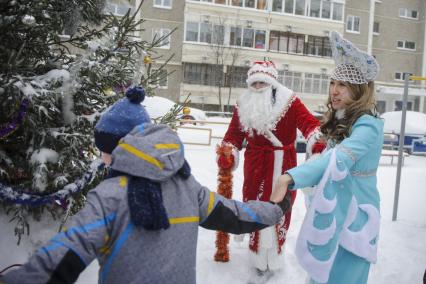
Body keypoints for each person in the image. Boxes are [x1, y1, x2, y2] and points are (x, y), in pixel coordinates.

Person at [0, 86, 292, 284]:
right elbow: (238, 215)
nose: (101, 158)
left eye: (103, 149)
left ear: (121, 147)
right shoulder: (188, 187)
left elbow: (63, 255)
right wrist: (276, 208)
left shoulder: (109, 196)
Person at [271, 31, 383, 284]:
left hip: (356, 216)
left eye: (343, 85)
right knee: (321, 275)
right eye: (333, 83)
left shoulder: (368, 125)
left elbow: (339, 158)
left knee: (343, 276)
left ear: (359, 89)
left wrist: (289, 177)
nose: (334, 90)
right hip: (335, 211)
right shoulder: (340, 120)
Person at [218, 60, 324, 277]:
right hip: (254, 164)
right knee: (254, 206)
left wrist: (317, 142)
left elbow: (311, 125)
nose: (257, 88)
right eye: (254, 83)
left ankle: (275, 257)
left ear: (272, 83)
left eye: (262, 84)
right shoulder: (243, 103)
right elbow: (233, 136)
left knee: (280, 209)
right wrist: (228, 152)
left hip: (282, 165)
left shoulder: (290, 101)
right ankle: (256, 258)